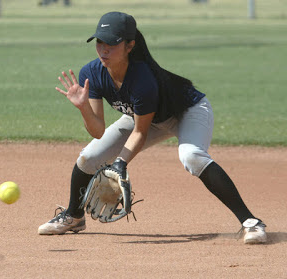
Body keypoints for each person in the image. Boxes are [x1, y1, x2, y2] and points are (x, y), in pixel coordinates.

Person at [38, 11, 267, 244]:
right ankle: (74, 215)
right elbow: (97, 131)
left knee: (192, 156)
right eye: (99, 42)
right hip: (143, 116)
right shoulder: (92, 73)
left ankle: (251, 222)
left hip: (187, 111)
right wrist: (83, 108)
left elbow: (140, 132)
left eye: (112, 43)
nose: (104, 49)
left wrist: (120, 164)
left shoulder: (142, 78)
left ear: (130, 45)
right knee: (89, 157)